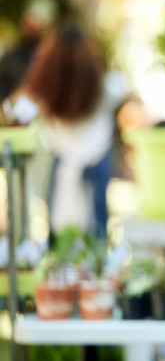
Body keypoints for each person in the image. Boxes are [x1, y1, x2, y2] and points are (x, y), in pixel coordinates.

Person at [16, 23, 129, 240]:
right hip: (92, 157)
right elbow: (123, 94)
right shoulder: (103, 85)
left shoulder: (45, 88)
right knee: (97, 228)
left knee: (61, 232)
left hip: (67, 157)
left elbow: (17, 106)